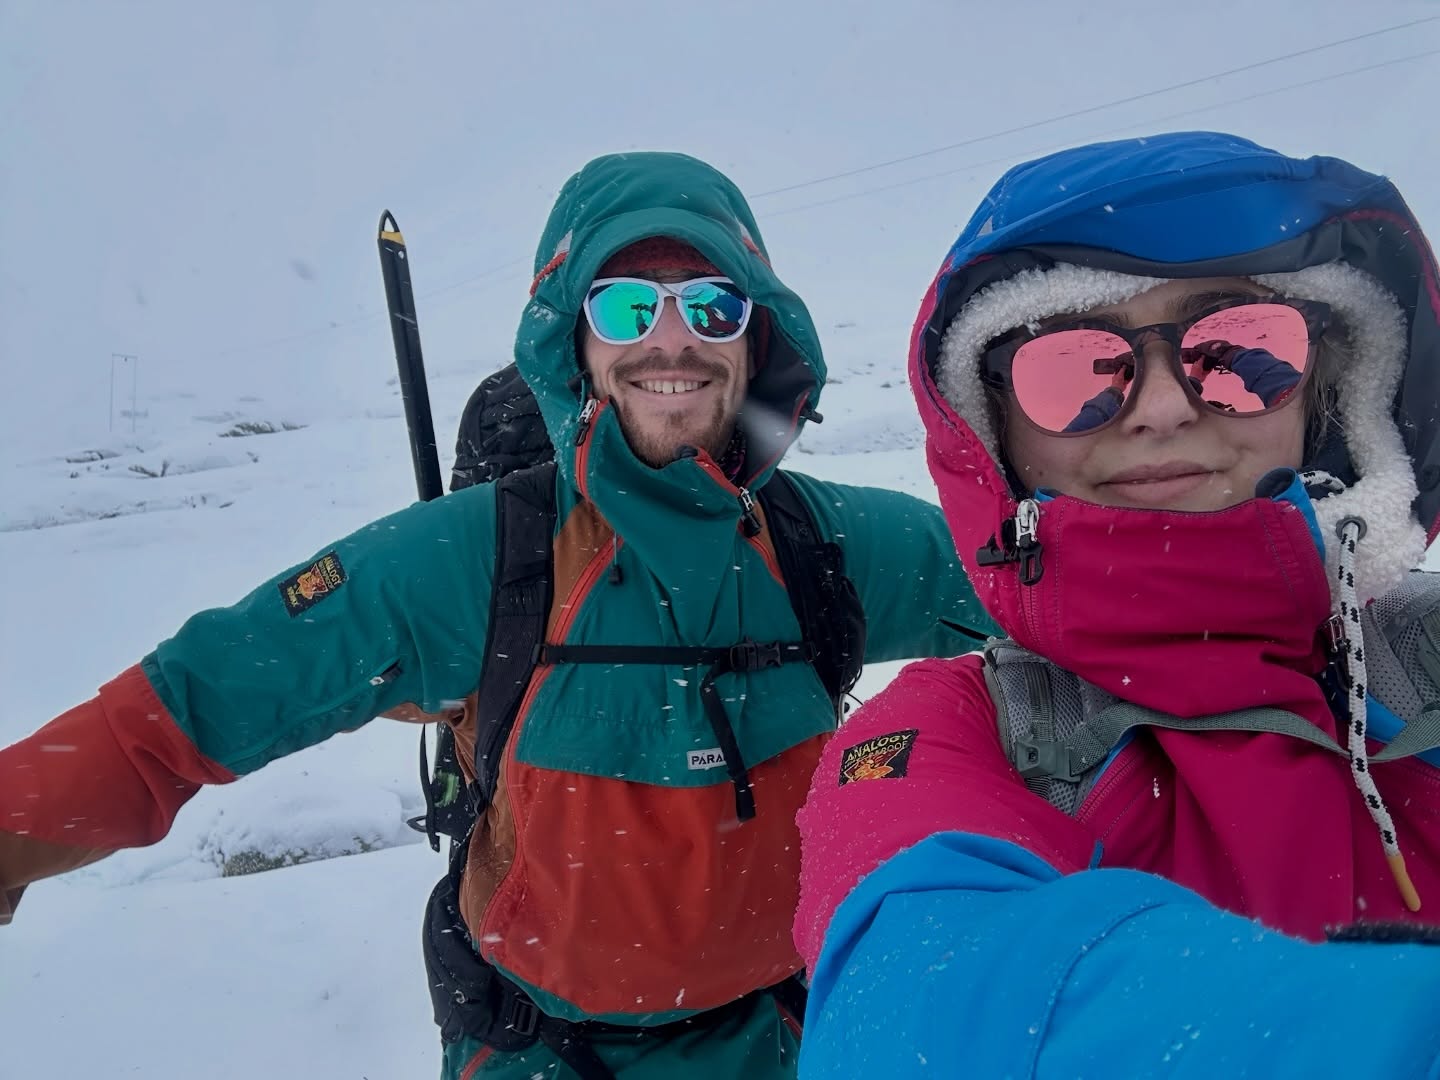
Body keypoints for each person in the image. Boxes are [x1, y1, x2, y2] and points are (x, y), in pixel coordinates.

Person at [0, 150, 996, 1080]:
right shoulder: (477, 556)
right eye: (625, 304)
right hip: (538, 1054)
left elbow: (1041, 600)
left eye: (713, 304)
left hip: (783, 1038)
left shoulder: (829, 544)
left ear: (760, 332)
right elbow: (192, 704)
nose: (672, 338)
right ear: (573, 336)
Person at [794, 131, 1440, 1077]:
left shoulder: (1423, 651)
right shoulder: (954, 729)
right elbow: (918, 997)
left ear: (1326, 394)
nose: (1166, 407)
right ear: (999, 437)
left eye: (1239, 352)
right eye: (1076, 372)